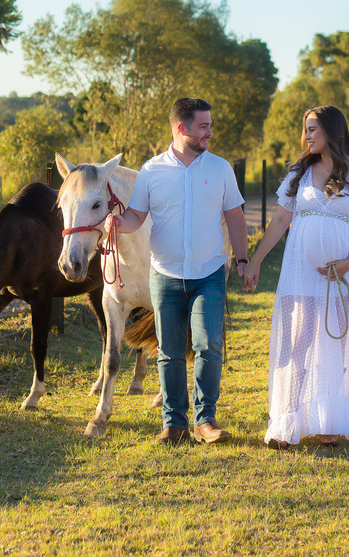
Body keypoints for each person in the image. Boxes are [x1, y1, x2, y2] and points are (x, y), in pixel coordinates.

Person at [243, 105, 349, 449]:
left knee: (336, 343)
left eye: (313, 128)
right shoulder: (299, 172)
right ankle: (286, 421)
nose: (306, 136)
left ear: (332, 130)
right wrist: (255, 261)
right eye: (305, 129)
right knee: (297, 342)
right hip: (300, 273)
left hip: (341, 275)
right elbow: (281, 221)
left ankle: (329, 420)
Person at [109, 97, 248, 445]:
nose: (210, 132)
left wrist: (243, 260)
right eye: (204, 126)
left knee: (209, 344)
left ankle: (206, 420)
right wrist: (116, 222)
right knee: (169, 351)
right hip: (166, 275)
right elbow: (135, 217)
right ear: (181, 128)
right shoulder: (152, 170)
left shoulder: (220, 169)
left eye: (210, 125)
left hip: (210, 273)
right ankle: (174, 425)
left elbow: (234, 216)